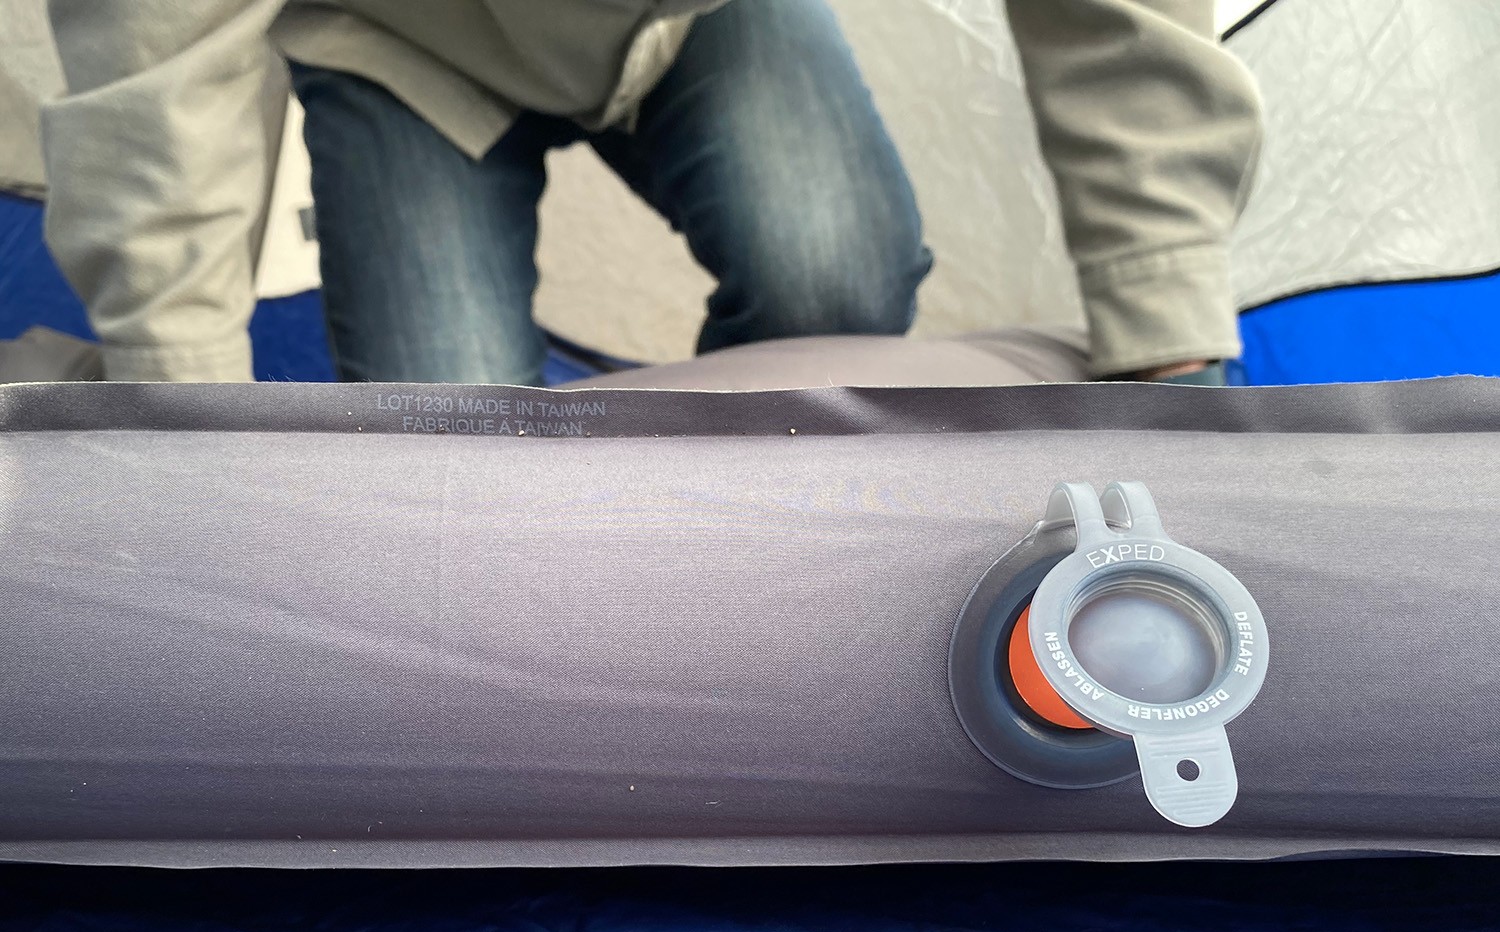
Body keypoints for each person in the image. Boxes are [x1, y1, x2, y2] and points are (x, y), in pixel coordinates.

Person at [39, 0, 1262, 386]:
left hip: (692, 15)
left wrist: (1160, 299)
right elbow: (157, 43)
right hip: (398, 35)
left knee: (833, 276)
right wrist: (176, 382)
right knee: (445, 435)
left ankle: (723, 543)